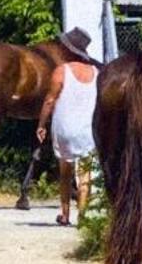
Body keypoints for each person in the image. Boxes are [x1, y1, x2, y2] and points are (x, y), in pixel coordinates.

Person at [36, 27, 99, 225]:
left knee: (65, 172)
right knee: (85, 174)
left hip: (64, 128)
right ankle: (82, 215)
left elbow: (49, 100)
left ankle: (65, 214)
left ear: (69, 50)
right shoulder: (97, 73)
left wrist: (41, 125)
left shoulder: (61, 72)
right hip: (87, 130)